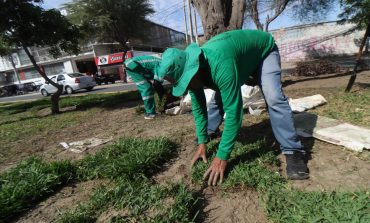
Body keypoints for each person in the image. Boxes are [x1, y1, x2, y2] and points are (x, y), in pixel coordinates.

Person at [158, 29, 309, 185]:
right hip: (239, 59)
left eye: (187, 81)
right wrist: (202, 142)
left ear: (193, 68)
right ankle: (210, 131)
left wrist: (222, 156)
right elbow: (198, 108)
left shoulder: (220, 65)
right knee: (218, 100)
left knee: (274, 98)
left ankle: (293, 151)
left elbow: (234, 113)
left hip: (263, 51)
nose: (188, 85)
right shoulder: (193, 71)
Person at [124, 55, 165, 119]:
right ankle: (150, 114)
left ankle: (150, 111)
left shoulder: (161, 62)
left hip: (134, 65)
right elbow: (157, 84)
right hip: (132, 65)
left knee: (148, 87)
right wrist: (163, 99)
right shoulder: (161, 65)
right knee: (146, 88)